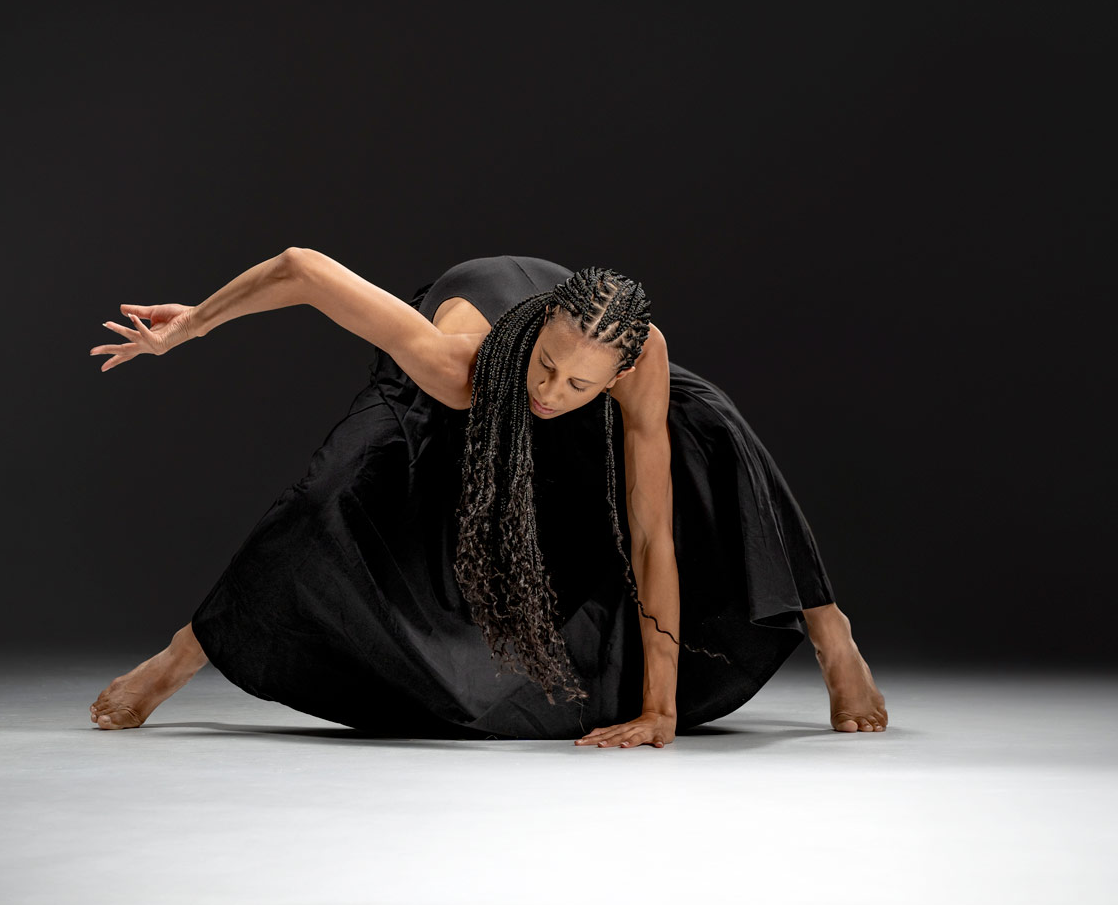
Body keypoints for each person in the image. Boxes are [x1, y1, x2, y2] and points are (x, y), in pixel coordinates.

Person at [87, 250, 887, 746]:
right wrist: (188, 326)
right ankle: (183, 655)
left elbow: (650, 537)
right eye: (546, 369)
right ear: (531, 343)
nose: (553, 393)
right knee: (328, 492)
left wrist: (661, 710)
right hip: (463, 385)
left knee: (715, 427)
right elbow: (300, 268)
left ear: (615, 375)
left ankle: (830, 631)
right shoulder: (456, 363)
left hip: (590, 349)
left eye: (579, 385)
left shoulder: (633, 366)